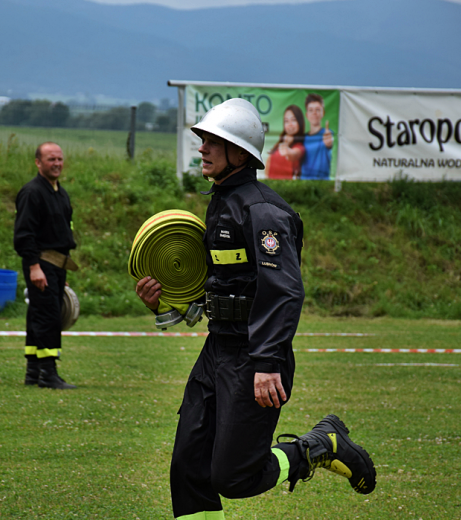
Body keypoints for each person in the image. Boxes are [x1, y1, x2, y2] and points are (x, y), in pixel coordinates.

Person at [135, 99, 376, 519]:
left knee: (234, 477)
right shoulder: (221, 203)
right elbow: (220, 286)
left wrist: (267, 362)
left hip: (255, 358)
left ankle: (317, 446)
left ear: (241, 153)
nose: (203, 147)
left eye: (214, 140)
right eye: (203, 139)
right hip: (217, 351)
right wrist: (167, 299)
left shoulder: (263, 211)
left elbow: (283, 291)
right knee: (188, 467)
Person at [14, 141, 78, 390]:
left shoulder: (59, 192)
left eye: (60, 159)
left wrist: (62, 269)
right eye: (51, 159)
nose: (57, 164)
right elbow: (24, 234)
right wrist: (33, 266)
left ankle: (33, 371)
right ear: (38, 162)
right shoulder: (32, 192)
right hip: (41, 264)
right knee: (48, 317)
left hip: (56, 266)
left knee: (38, 315)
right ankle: (49, 374)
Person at [265, 104, 305, 180]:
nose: (290, 124)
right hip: (270, 186)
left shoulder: (300, 146)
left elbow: (294, 154)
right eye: (286, 121)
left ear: (300, 121)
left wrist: (287, 148)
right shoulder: (278, 144)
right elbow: (268, 163)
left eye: (293, 120)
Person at [300, 93, 334, 180]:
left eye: (318, 110)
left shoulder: (328, 134)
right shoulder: (302, 138)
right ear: (306, 115)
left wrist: (328, 142)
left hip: (323, 183)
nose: (314, 113)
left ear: (323, 113)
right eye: (311, 110)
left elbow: (329, 143)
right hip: (304, 182)